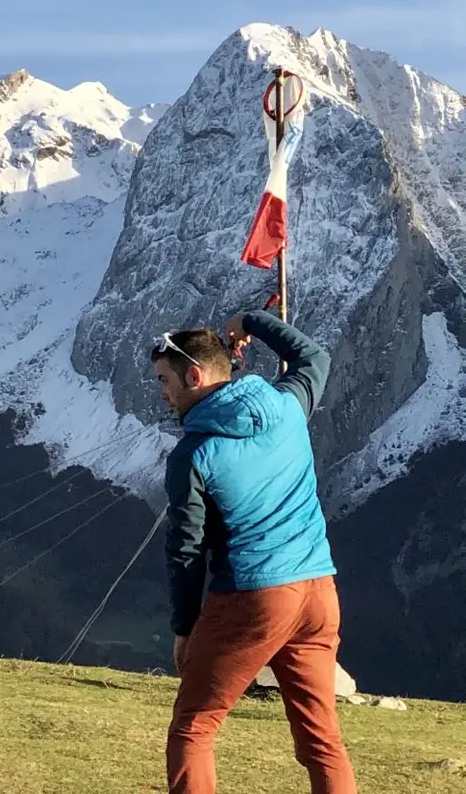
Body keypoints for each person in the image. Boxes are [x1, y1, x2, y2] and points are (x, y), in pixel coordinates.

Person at [150, 311, 355, 794]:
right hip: (319, 590)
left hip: (253, 595)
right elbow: (313, 356)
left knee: (194, 728)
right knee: (321, 737)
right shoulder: (286, 406)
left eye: (164, 380)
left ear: (194, 376)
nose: (161, 391)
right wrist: (250, 320)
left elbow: (186, 550)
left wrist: (185, 628)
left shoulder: (193, 455)